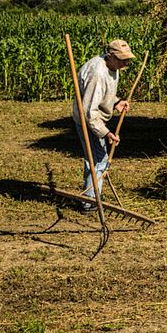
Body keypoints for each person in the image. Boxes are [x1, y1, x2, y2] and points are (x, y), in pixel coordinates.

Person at [72, 39, 133, 210]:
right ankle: (90, 201)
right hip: (88, 120)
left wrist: (116, 102)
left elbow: (103, 95)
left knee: (98, 157)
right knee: (98, 158)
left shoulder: (113, 66)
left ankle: (93, 195)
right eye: (122, 59)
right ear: (111, 56)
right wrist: (106, 133)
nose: (126, 62)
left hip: (95, 116)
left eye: (127, 58)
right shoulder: (97, 74)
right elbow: (89, 112)